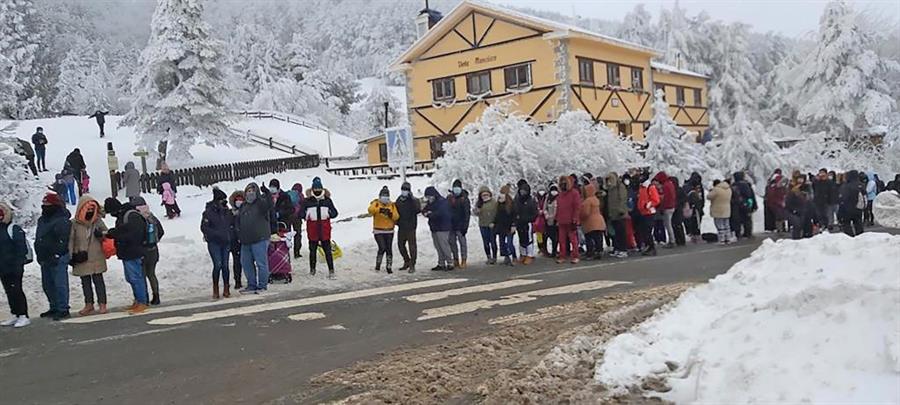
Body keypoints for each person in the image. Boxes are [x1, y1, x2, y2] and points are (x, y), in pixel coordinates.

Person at [104, 197, 150, 314]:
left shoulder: (131, 216)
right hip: (128, 252)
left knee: (136, 277)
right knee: (131, 278)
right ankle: (138, 300)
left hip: (133, 252)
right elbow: (124, 231)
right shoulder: (124, 216)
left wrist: (116, 235)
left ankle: (142, 301)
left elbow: (132, 234)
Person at [68, 195, 109, 316]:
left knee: (98, 280)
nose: (90, 212)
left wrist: (101, 234)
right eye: (88, 209)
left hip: (96, 255)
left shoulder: (97, 221)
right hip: (81, 256)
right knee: (85, 281)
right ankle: (89, 304)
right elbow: (70, 240)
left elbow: (107, 235)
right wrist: (71, 256)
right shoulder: (74, 223)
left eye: (92, 209)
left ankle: (102, 303)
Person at [35, 193, 72, 320]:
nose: (45, 207)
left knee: (59, 283)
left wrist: (57, 254)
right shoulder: (42, 220)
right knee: (48, 284)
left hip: (58, 256)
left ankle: (63, 308)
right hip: (45, 257)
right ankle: (54, 306)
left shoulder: (61, 220)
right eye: (44, 204)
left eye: (48, 205)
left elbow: (63, 239)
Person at [236, 182, 274, 291]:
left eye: (252, 191)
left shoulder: (260, 203)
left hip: (260, 238)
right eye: (248, 191)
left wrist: (267, 193)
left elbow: (269, 205)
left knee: (261, 263)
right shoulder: (243, 205)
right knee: (246, 263)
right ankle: (251, 284)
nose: (250, 193)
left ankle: (262, 285)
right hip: (246, 240)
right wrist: (238, 232)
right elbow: (238, 220)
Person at [0, 202, 31, 328]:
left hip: (13, 266)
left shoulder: (13, 228)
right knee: (9, 291)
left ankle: (23, 315)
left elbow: (21, 248)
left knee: (16, 290)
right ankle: (15, 313)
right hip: (2, 267)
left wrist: (18, 263)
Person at [303, 177, 338, 278]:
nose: (317, 191)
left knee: (327, 251)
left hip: (324, 230)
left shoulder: (327, 200)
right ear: (312, 189)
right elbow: (301, 213)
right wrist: (306, 214)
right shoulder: (308, 201)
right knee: (312, 251)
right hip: (312, 230)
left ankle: (331, 270)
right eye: (316, 189)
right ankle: (312, 270)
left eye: (319, 189)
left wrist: (328, 213)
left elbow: (335, 213)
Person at [201, 188, 233, 299]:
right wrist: (216, 234)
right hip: (214, 243)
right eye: (222, 200)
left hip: (226, 242)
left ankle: (226, 287)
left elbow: (231, 225)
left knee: (225, 265)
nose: (224, 202)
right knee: (218, 264)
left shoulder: (227, 212)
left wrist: (229, 235)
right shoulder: (208, 213)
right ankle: (215, 288)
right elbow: (204, 227)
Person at [132, 197, 163, 305]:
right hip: (153, 250)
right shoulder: (151, 216)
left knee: (142, 275)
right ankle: (156, 296)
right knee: (152, 274)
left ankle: (144, 297)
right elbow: (161, 231)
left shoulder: (137, 217)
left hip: (143, 250)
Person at [368, 186, 399, 274]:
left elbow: (396, 216)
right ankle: (378, 264)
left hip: (389, 230)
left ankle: (389, 266)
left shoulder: (392, 205)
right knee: (382, 247)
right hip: (378, 230)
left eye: (387, 196)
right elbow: (370, 210)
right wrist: (380, 210)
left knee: (389, 248)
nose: (385, 198)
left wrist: (390, 214)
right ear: (380, 196)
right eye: (383, 196)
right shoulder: (376, 203)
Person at [423, 186, 453, 270]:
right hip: (434, 227)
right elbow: (424, 210)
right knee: (438, 246)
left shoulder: (442, 202)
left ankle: (450, 262)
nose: (428, 198)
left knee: (444, 246)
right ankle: (441, 263)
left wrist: (429, 214)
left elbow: (440, 213)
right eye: (427, 197)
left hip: (442, 227)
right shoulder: (430, 203)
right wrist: (427, 213)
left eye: (429, 196)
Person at [555, 176, 582, 264]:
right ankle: (562, 255)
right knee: (561, 239)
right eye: (561, 183)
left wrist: (575, 219)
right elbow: (558, 208)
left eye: (565, 183)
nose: (563, 185)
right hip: (561, 220)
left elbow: (577, 207)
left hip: (571, 220)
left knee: (573, 239)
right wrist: (556, 218)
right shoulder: (560, 195)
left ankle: (575, 255)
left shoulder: (574, 193)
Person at [395, 182, 420, 273]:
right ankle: (407, 261)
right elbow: (396, 211)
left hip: (411, 227)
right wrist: (396, 222)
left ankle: (412, 264)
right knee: (400, 245)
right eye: (403, 189)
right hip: (401, 226)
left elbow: (417, 209)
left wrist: (411, 199)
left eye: (406, 189)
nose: (404, 191)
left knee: (412, 246)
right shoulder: (399, 200)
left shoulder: (413, 200)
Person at [447, 179, 471, 268]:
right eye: (454, 188)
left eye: (458, 188)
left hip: (461, 225)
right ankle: (455, 259)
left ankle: (464, 259)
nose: (456, 189)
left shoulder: (464, 199)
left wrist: (465, 226)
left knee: (462, 243)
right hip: (451, 226)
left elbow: (467, 214)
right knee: (452, 243)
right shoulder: (449, 198)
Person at [514, 179, 539, 264]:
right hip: (519, 223)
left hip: (528, 223)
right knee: (521, 239)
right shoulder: (517, 199)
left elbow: (535, 213)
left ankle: (529, 255)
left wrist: (528, 219)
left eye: (524, 191)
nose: (522, 193)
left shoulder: (531, 201)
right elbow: (515, 210)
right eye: (521, 191)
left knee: (529, 239)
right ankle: (523, 254)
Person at [579, 181, 606, 260]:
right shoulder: (596, 199)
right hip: (599, 221)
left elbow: (585, 213)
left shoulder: (587, 201)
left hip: (590, 222)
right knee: (598, 237)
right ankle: (599, 251)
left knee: (589, 238)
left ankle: (590, 253)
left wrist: (581, 217)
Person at [604, 173, 629, 258]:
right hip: (612, 213)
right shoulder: (610, 189)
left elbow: (623, 198)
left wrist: (621, 209)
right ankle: (617, 248)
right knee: (616, 233)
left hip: (619, 213)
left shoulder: (620, 187)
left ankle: (623, 249)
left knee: (621, 232)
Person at [473, 186, 498, 265]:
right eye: (483, 195)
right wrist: (476, 211)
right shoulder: (479, 203)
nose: (485, 197)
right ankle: (488, 257)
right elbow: (476, 213)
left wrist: (494, 222)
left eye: (486, 195)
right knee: (486, 242)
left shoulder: (494, 202)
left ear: (490, 194)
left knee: (493, 241)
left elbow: (497, 214)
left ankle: (494, 257)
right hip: (483, 225)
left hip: (492, 225)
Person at [494, 185, 516, 266]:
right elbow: (497, 215)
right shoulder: (499, 203)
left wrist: (513, 225)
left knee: (510, 243)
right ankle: (506, 257)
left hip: (509, 226)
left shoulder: (511, 203)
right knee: (502, 243)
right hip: (501, 226)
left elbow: (514, 214)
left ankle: (514, 256)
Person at [839, 170, 866, 237]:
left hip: (847, 209)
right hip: (858, 208)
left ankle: (850, 238)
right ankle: (860, 237)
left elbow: (843, 198)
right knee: (858, 224)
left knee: (846, 224)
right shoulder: (861, 185)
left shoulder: (846, 186)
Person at [653, 172, 677, 247]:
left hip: (667, 207)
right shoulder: (670, 184)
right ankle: (672, 240)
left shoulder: (665, 186)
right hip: (672, 206)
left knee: (668, 225)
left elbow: (665, 198)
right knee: (669, 224)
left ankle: (672, 241)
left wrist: (662, 207)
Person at [731, 171, 757, 239]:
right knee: (747, 219)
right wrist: (753, 205)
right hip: (746, 204)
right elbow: (751, 195)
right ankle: (748, 233)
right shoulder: (746, 184)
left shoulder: (733, 185)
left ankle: (738, 233)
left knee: (737, 220)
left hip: (736, 205)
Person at [708, 180, 733, 245]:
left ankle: (722, 239)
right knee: (727, 225)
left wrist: (711, 191)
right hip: (727, 209)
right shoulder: (728, 189)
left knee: (719, 225)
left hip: (718, 209)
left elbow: (709, 197)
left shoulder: (716, 190)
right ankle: (728, 238)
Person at [228, 191, 245, 289]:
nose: (239, 202)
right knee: (237, 262)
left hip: (246, 239)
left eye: (241, 200)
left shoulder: (247, 211)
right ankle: (237, 281)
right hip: (234, 241)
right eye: (237, 200)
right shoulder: (231, 213)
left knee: (248, 261)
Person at [543, 183, 560, 258]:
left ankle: (554, 251)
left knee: (555, 237)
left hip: (556, 221)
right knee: (548, 236)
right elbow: (544, 208)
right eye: (552, 190)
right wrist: (546, 215)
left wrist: (557, 218)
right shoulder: (548, 198)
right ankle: (546, 250)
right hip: (548, 220)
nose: (554, 192)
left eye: (555, 190)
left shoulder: (559, 198)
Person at [288, 183, 304, 259]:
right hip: (297, 218)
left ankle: (285, 251)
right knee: (297, 235)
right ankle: (297, 252)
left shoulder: (288, 194)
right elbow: (303, 205)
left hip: (288, 216)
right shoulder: (300, 195)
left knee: (287, 235)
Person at [670, 176, 687, 246]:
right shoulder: (677, 189)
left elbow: (684, 199)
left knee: (677, 225)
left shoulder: (678, 190)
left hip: (678, 209)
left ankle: (681, 240)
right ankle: (678, 239)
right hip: (676, 208)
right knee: (676, 225)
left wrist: (677, 204)